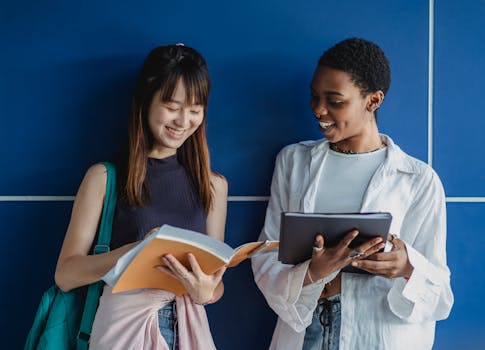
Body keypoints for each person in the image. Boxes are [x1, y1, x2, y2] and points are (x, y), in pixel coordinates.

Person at [251, 38, 453, 350]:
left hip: (378, 333)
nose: (319, 110)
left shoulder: (418, 180)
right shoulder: (293, 162)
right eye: (315, 97)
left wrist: (407, 267)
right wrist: (313, 272)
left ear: (373, 101)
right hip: (307, 332)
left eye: (335, 101)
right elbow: (266, 256)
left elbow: (440, 294)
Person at [54, 44, 228, 349]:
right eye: (172, 107)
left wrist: (206, 292)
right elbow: (66, 275)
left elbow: (216, 283)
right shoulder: (104, 178)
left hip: (189, 331)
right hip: (121, 330)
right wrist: (136, 252)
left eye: (195, 109)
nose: (183, 121)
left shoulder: (213, 185)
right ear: (147, 101)